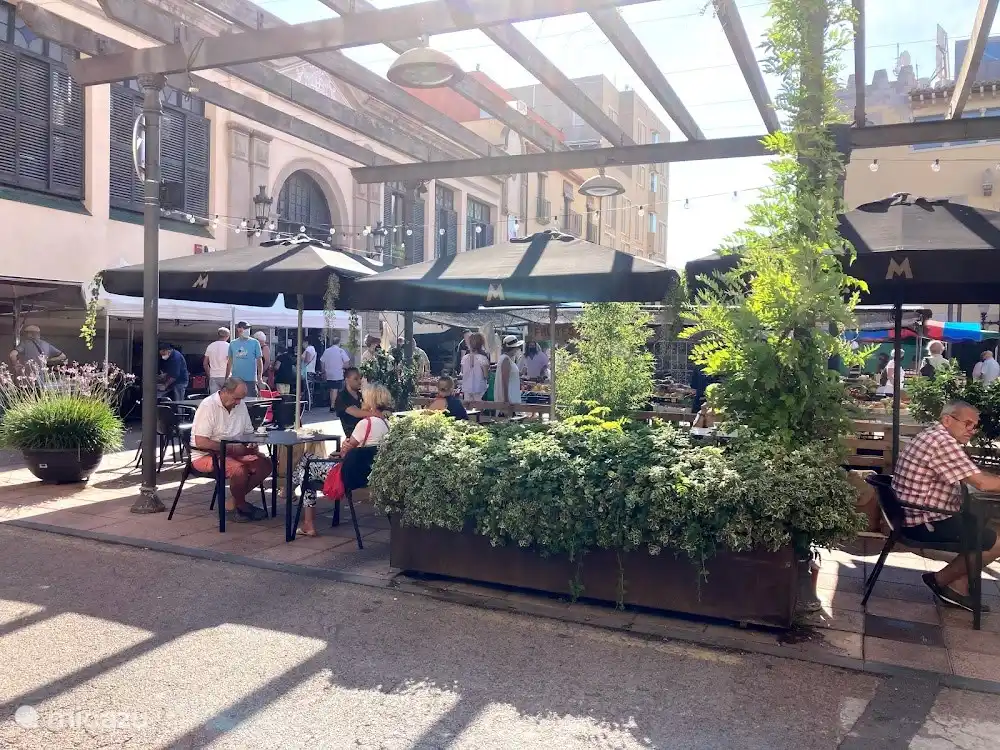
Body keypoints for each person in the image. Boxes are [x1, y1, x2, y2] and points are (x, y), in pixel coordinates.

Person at [893, 400, 1000, 611]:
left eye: (974, 426)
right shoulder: (942, 442)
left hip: (911, 514)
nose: (972, 430)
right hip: (925, 522)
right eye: (967, 423)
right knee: (997, 541)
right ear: (947, 420)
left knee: (980, 525)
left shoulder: (933, 435)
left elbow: (974, 475)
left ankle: (958, 585)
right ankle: (941, 580)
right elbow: (982, 483)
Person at [298, 383, 393, 537]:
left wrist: (344, 448)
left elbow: (345, 453)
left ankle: (307, 521)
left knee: (306, 463)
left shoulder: (365, 424)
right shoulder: (387, 424)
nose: (361, 401)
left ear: (370, 402)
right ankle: (292, 488)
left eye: (364, 398)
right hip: (368, 476)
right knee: (305, 471)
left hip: (349, 475)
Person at [190, 377, 272, 524]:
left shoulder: (240, 405)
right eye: (236, 398)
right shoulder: (208, 406)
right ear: (225, 391)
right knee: (239, 470)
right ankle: (238, 505)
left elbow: (248, 432)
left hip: (235, 451)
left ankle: (233, 502)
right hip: (207, 455)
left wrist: (251, 445)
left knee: (265, 464)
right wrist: (233, 451)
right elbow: (201, 442)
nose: (239, 402)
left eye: (241, 399)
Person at [333, 367, 373, 437]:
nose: (359, 381)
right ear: (347, 380)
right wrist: (377, 414)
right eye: (356, 379)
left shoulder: (361, 395)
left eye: (360, 378)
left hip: (368, 432)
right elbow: (357, 413)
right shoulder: (342, 397)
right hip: (354, 436)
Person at [227, 321, 263, 397]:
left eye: (248, 328)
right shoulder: (233, 343)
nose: (247, 330)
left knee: (251, 400)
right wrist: (227, 376)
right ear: (239, 329)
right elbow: (230, 361)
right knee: (236, 400)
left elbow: (259, 360)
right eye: (245, 328)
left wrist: (259, 376)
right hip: (236, 379)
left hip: (250, 379)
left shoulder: (255, 342)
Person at [321, 334, 351, 411]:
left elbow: (322, 361)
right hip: (337, 373)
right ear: (339, 343)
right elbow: (347, 363)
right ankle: (332, 406)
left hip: (328, 373)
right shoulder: (341, 351)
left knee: (332, 389)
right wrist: (342, 367)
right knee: (335, 389)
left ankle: (332, 403)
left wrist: (323, 371)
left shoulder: (326, 351)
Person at [493, 335, 523, 408]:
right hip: (509, 397)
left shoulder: (507, 359)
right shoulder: (506, 360)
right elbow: (504, 381)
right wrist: (506, 400)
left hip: (513, 395)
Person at [461, 332, 490, 402]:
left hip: (467, 389)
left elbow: (462, 372)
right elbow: (486, 376)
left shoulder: (464, 358)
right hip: (479, 390)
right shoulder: (483, 359)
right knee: (479, 407)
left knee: (468, 407)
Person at [203, 327, 231, 394]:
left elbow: (205, 363)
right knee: (227, 398)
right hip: (225, 376)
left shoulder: (210, 346)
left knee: (214, 398)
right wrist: (227, 377)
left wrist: (209, 375)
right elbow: (230, 364)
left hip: (213, 376)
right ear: (228, 336)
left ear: (218, 335)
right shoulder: (229, 347)